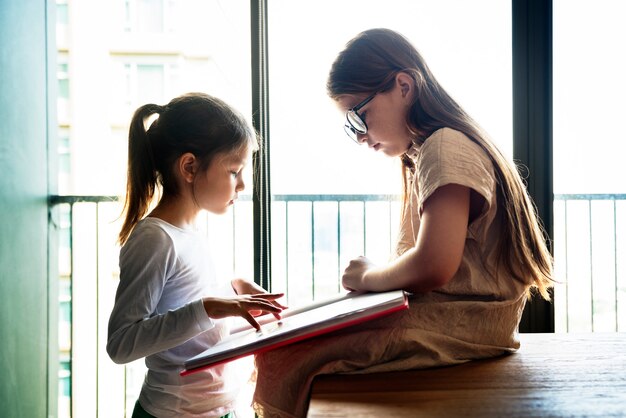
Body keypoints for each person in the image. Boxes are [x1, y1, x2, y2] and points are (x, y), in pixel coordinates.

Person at [252, 28, 554, 417]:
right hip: (466, 322)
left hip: (461, 327)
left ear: (404, 86)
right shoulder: (436, 147)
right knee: (293, 340)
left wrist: (367, 277)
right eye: (351, 127)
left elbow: (434, 265)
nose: (360, 137)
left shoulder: (444, 145)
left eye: (359, 117)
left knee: (283, 353)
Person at [107, 92, 286, 418]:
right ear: (189, 166)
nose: (243, 185)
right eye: (235, 171)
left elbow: (186, 312)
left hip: (219, 407)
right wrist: (209, 308)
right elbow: (121, 344)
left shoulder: (192, 232)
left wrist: (232, 289)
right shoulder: (154, 239)